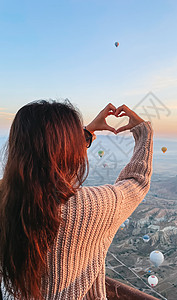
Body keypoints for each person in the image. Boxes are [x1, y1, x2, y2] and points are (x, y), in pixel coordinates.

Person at [0, 100, 153, 299]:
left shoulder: (6, 194)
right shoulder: (89, 205)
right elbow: (137, 181)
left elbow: (41, 160)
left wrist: (86, 133)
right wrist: (145, 134)